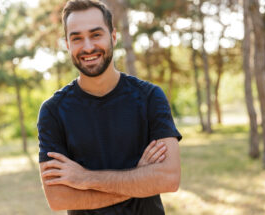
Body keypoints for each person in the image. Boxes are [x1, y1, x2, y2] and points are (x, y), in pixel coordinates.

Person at [37, 0, 182, 214]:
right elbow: (58, 199)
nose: (87, 47)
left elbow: (169, 179)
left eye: (96, 35)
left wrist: (85, 178)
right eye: (76, 38)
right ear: (67, 44)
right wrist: (140, 179)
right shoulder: (53, 111)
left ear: (113, 37)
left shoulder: (150, 97)